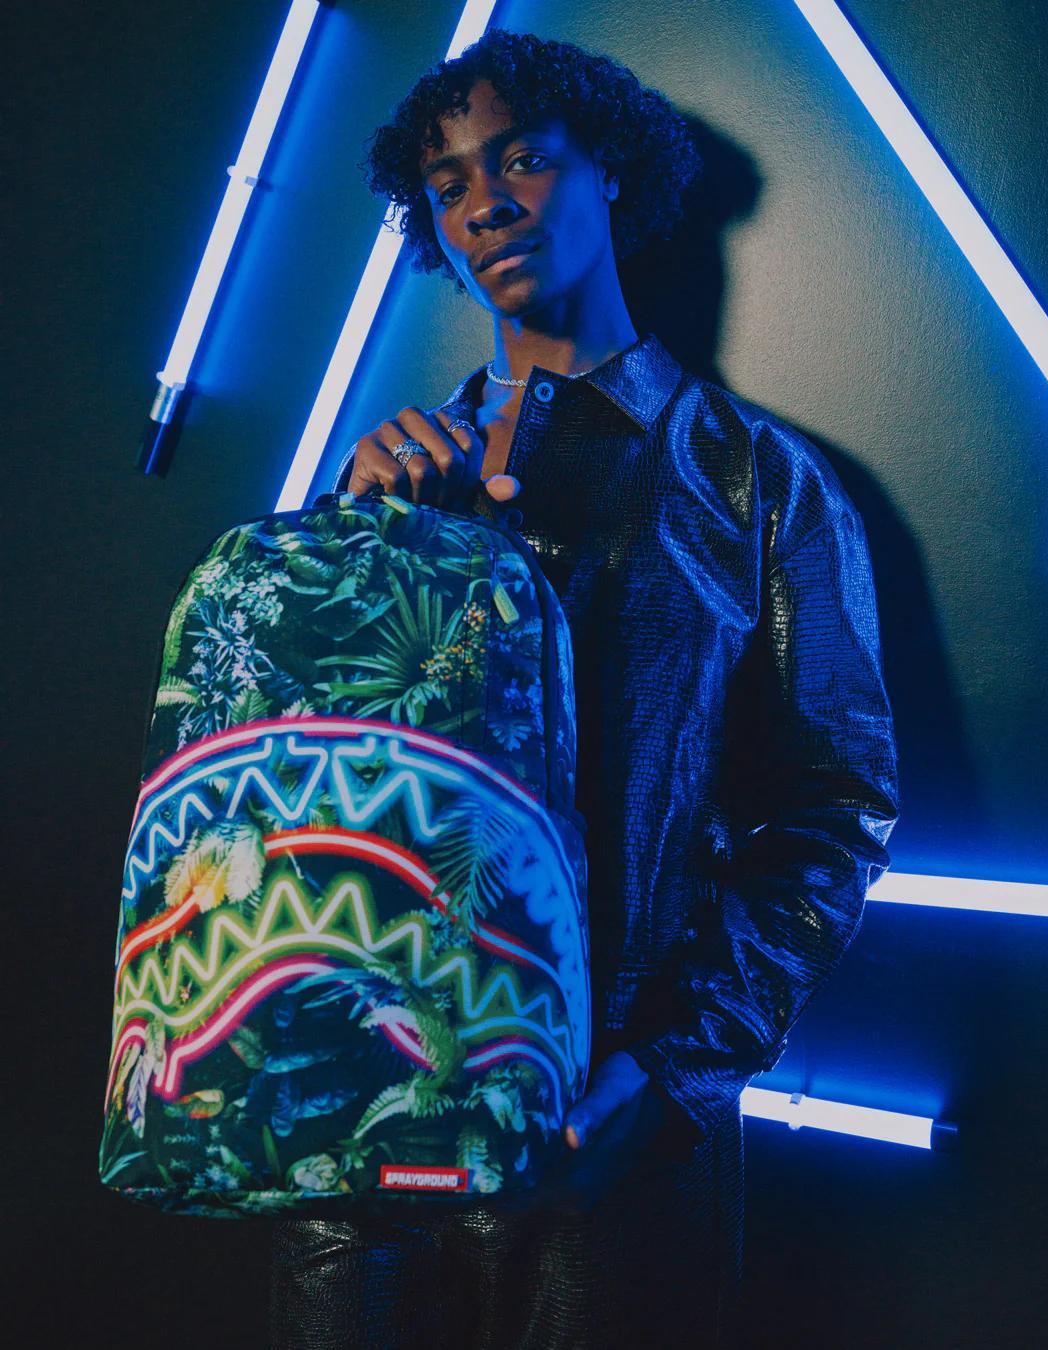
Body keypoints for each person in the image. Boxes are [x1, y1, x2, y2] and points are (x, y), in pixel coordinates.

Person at [269, 27, 901, 1349]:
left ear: (609, 167)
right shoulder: (390, 478)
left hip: (612, 1140)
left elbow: (832, 809)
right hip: (364, 1142)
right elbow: (304, 797)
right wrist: (363, 548)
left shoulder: (758, 482)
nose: (484, 202)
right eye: (447, 182)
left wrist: (670, 1073)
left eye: (521, 159)